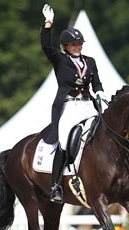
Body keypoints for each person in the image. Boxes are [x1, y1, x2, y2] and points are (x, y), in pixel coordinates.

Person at [40, 4, 106, 203]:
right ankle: (55, 186)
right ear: (66, 46)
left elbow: (97, 82)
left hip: (88, 104)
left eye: (80, 44)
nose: (78, 47)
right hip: (68, 105)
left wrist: (101, 93)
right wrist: (48, 23)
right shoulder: (60, 60)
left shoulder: (91, 61)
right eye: (74, 44)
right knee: (63, 141)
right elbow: (46, 46)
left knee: (104, 132)